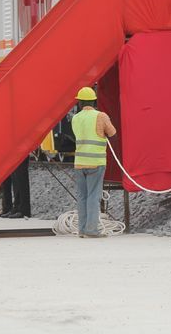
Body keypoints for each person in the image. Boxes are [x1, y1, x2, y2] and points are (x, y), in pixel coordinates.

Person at [71, 86, 116, 238]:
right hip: (96, 162)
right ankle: (91, 230)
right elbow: (113, 134)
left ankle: (82, 230)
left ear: (80, 103)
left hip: (79, 162)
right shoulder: (101, 116)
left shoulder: (75, 118)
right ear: (94, 101)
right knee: (93, 196)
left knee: (82, 196)